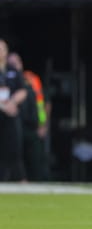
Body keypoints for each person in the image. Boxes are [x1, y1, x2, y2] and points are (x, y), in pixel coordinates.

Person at [7, 52, 50, 181]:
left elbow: (44, 103)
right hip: (12, 126)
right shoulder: (5, 78)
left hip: (33, 127)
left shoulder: (32, 80)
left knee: (35, 161)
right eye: (11, 63)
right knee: (14, 159)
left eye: (17, 62)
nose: (15, 65)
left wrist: (44, 124)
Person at [0, 39, 28, 181]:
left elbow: (22, 91)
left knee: (14, 148)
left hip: (11, 115)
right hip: (2, 110)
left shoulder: (13, 70)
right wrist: (3, 106)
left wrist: (11, 103)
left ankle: (20, 179)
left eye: (2, 49)